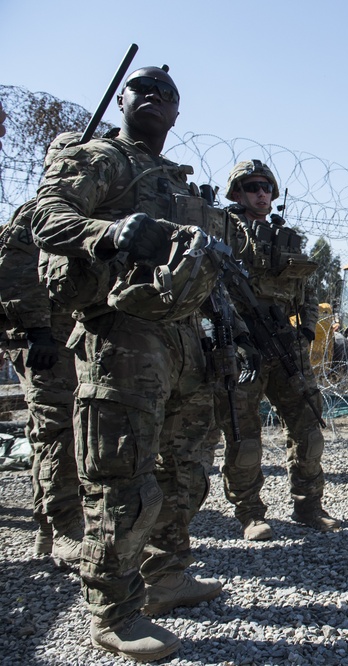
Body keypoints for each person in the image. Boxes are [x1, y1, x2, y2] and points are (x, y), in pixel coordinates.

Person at [31, 66, 224, 661]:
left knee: (186, 473)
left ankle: (166, 575)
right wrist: (110, 233)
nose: (155, 101)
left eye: (167, 96)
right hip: (124, 337)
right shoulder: (104, 160)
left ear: (176, 112)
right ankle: (112, 611)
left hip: (185, 342)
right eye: (144, 91)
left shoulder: (175, 181)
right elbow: (47, 217)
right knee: (122, 480)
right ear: (124, 98)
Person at [215, 159, 337, 540]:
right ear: (237, 192)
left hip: (284, 344)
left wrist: (304, 330)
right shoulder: (220, 232)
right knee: (244, 436)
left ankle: (309, 506)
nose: (261, 193)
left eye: (266, 186)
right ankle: (250, 513)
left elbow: (308, 288)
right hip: (241, 345)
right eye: (252, 187)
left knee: (308, 428)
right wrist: (232, 335)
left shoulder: (286, 238)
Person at [0, 132, 84, 569]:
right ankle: (63, 529)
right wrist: (37, 332)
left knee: (58, 432)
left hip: (70, 338)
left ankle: (50, 529)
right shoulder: (38, 214)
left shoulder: (80, 213)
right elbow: (14, 273)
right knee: (57, 433)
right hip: (44, 343)